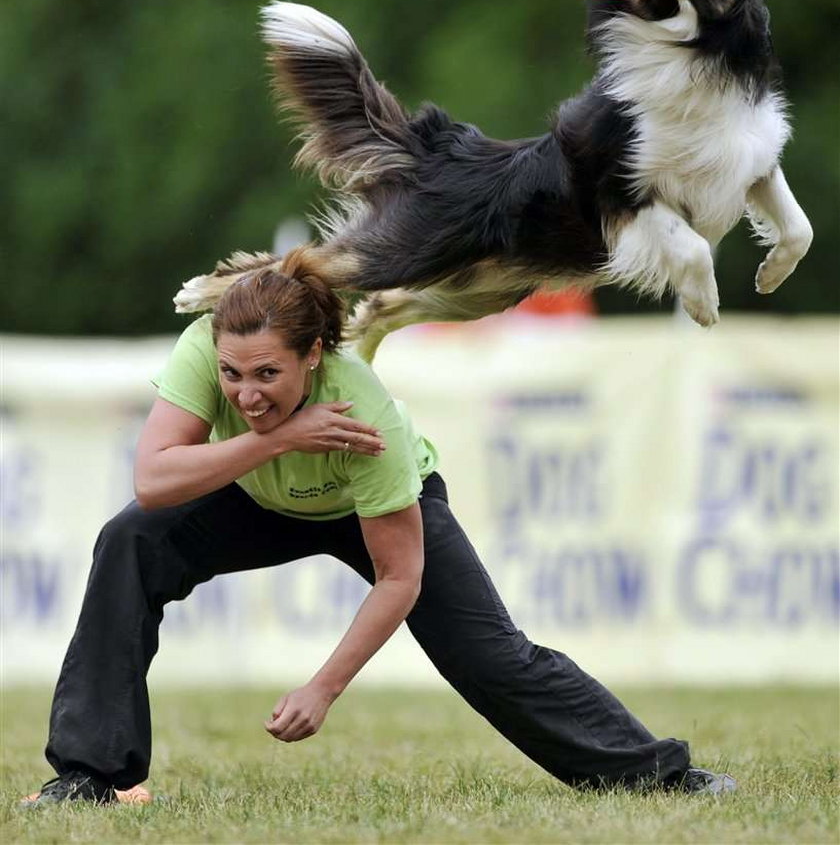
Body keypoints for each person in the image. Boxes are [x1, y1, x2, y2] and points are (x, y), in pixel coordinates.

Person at [24, 249, 735, 806]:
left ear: (312, 357)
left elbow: (400, 577)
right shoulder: (207, 353)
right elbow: (153, 480)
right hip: (256, 493)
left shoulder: (362, 413)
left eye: (267, 374)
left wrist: (322, 688)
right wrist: (277, 438)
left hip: (371, 505)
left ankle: (660, 775)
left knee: (494, 658)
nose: (245, 393)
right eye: (233, 375)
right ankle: (90, 776)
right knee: (130, 542)